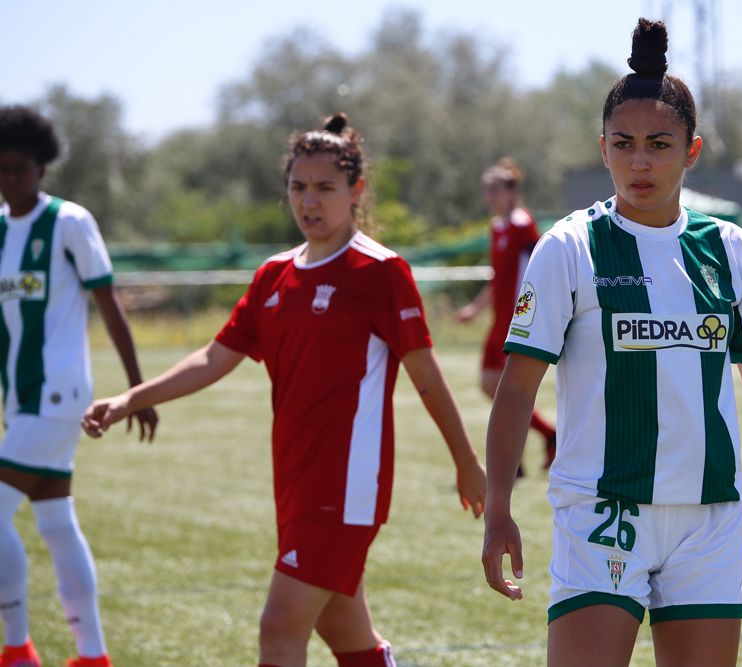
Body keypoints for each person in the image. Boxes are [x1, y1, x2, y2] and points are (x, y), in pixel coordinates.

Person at [481, 18, 742, 667]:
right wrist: (497, 505)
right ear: (603, 147)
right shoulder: (568, 248)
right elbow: (517, 386)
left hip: (709, 521)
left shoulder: (733, 251)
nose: (640, 160)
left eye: (660, 144)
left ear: (692, 150)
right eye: (624, 143)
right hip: (602, 511)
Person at [82, 113, 486, 667]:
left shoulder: (380, 271)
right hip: (294, 479)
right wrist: (132, 398)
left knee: (279, 627)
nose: (309, 201)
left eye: (325, 187)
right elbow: (212, 358)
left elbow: (426, 375)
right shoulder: (274, 275)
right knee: (344, 629)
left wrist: (466, 460)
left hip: (346, 485)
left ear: (356, 191)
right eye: (298, 187)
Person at [0, 105, 158, 667]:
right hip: (22, 402)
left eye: (20, 168)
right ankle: (92, 656)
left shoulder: (69, 222)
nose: (10, 178)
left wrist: (139, 391)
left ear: (42, 168)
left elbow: (108, 303)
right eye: (1, 168)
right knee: (55, 520)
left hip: (60, 394)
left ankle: (16, 647)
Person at [457, 158, 556, 471]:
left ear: (511, 192)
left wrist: (531, 315)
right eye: (487, 190)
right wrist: (475, 307)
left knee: (508, 390)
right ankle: (548, 434)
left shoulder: (522, 226)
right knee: (490, 385)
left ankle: (517, 463)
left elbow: (538, 272)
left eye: (494, 190)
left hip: (515, 321)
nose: (489, 196)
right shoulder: (497, 227)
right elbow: (498, 277)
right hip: (498, 320)